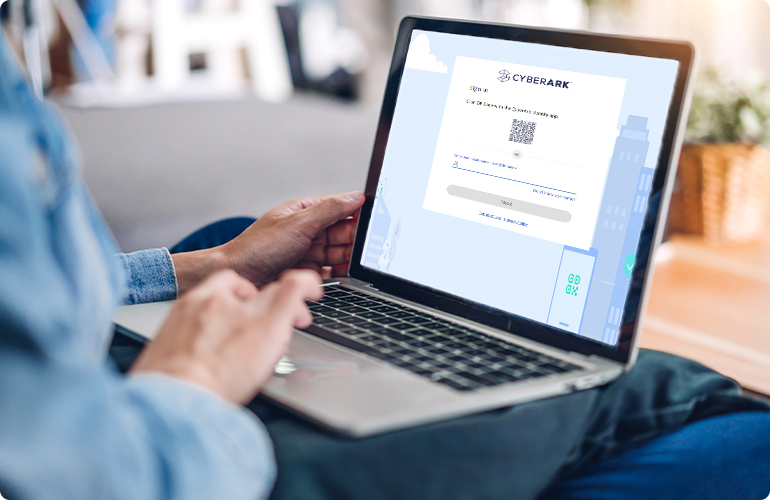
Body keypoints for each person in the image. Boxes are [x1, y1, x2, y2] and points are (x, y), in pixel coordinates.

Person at [1, 30, 769, 500]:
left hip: (99, 404)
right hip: (159, 456)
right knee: (673, 404)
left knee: (250, 246)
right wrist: (191, 386)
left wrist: (203, 267)